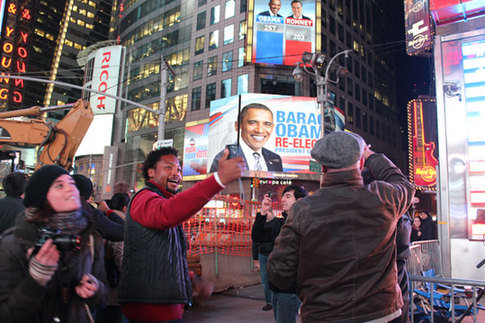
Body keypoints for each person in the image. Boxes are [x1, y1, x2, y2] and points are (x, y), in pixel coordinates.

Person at [267, 131, 415, 322]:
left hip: (325, 315)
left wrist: (313, 291)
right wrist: (371, 156)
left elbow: (279, 273)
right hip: (382, 313)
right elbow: (403, 184)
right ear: (361, 163)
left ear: (322, 166)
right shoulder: (383, 198)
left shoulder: (303, 210)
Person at [119, 146, 244, 322]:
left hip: (165, 305)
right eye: (168, 167)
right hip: (148, 308)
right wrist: (218, 179)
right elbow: (166, 214)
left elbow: (165, 254)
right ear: (151, 172)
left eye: (178, 169)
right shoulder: (144, 198)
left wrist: (189, 279)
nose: (176, 173)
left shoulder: (164, 201)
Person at [0, 165, 107, 322]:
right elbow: (6, 315)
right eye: (59, 185)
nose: (70, 189)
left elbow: (102, 296)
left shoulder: (89, 238)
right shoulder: (14, 244)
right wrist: (36, 279)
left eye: (72, 183)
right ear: (42, 198)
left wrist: (96, 289)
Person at [253, 186, 308, 322]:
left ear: (300, 201)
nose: (283, 199)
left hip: (291, 287)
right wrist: (263, 213)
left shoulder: (307, 224)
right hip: (277, 286)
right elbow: (258, 236)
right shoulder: (280, 223)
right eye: (283, 196)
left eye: (288, 196)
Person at [210, 103, 283, 173]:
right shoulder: (225, 157)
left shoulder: (275, 159)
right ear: (237, 126)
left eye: (267, 124)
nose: (260, 130)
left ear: (272, 127)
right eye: (252, 123)